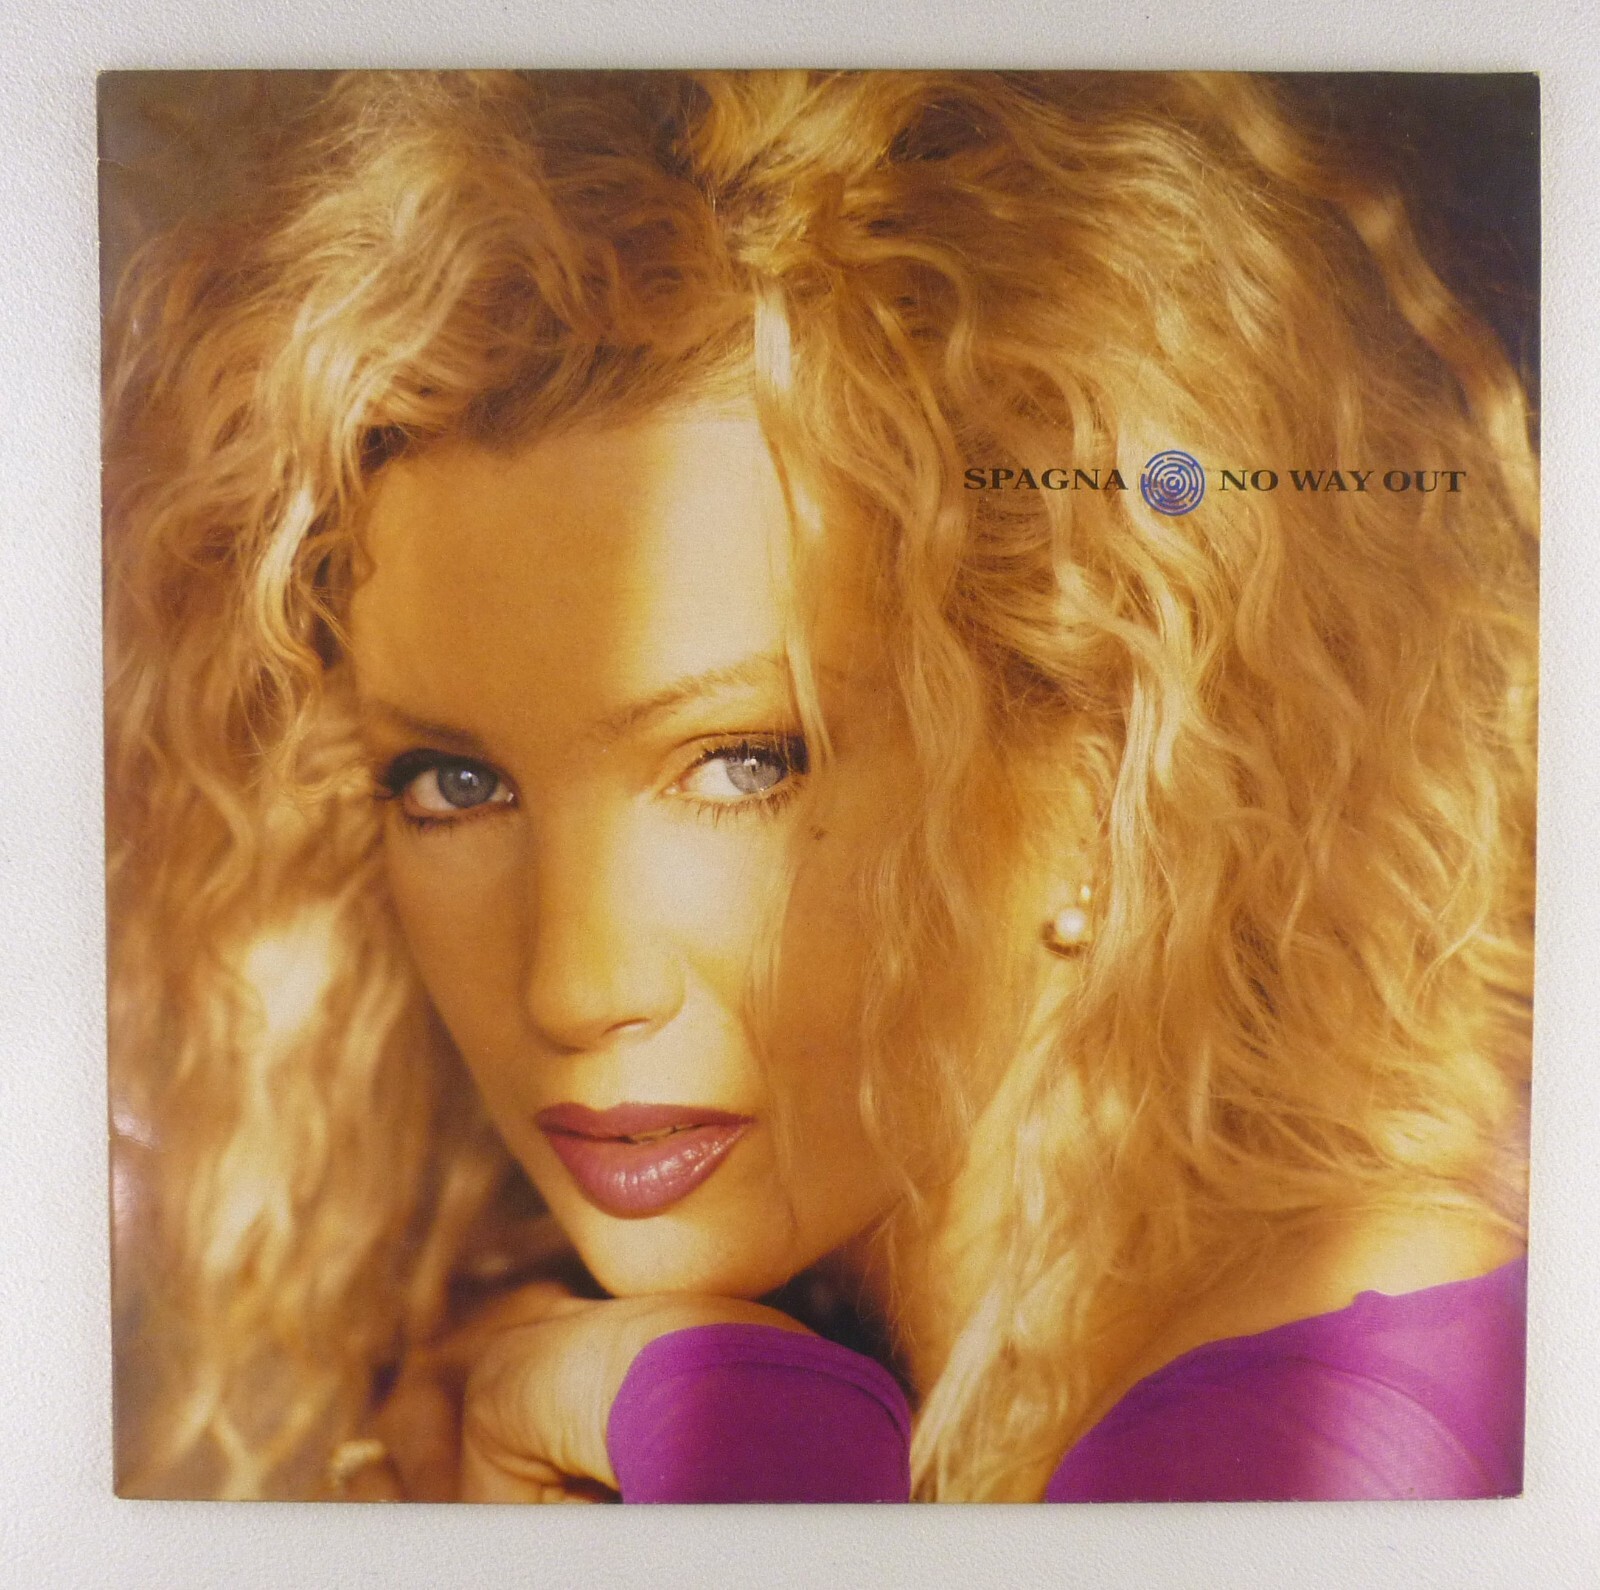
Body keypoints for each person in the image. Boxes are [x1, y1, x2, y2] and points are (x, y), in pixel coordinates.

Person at [103, 68, 1537, 1503]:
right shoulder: (885, 1369)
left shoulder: (1325, 1422)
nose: (575, 988)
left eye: (741, 763)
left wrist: (722, 1425)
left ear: (1104, 773)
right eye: (454, 781)